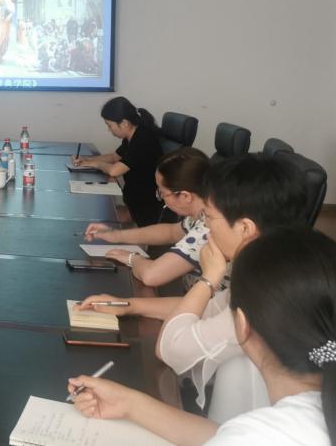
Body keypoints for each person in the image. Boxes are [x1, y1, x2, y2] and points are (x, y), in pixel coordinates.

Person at [76, 153, 308, 420]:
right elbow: (209, 310)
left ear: (245, 228)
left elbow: (169, 348)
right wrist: (129, 305)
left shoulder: (267, 295)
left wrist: (209, 278)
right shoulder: (273, 268)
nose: (205, 226)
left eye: (210, 217)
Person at [67, 231, 336, 446]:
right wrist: (130, 404)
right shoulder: (322, 409)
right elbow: (225, 434)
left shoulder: (261, 435)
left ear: (241, 324)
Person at [84, 147, 215, 288]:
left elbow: (151, 276)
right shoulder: (203, 212)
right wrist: (115, 235)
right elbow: (171, 232)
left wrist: (132, 258)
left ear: (185, 196)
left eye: (162, 193)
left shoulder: (207, 228)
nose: (161, 197)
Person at [72, 96, 164, 226]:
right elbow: (114, 157)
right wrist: (87, 159)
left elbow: (115, 171)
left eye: (110, 125)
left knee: (99, 219)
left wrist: (94, 164)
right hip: (135, 200)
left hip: (145, 207)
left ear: (124, 123)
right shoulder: (132, 135)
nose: (109, 130)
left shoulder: (143, 139)